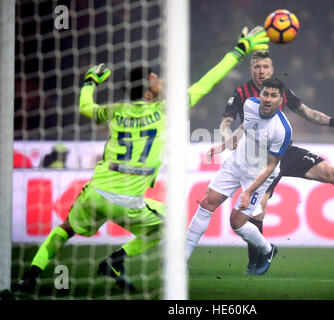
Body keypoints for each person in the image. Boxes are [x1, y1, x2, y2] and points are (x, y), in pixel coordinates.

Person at [15, 26, 270, 294]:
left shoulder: (114, 110)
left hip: (96, 191)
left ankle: (30, 276)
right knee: (170, 224)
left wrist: (90, 83)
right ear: (149, 94)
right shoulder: (165, 110)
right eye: (155, 79)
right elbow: (207, 82)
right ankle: (116, 259)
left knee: (65, 228)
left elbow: (85, 108)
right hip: (127, 201)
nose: (160, 81)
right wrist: (239, 50)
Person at [216, 50, 334, 274]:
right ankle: (255, 262)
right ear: (251, 71)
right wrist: (228, 139)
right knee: (258, 208)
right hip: (259, 160)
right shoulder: (241, 94)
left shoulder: (281, 91)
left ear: (272, 69)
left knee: (333, 173)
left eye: (265, 66)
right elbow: (225, 123)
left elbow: (307, 113)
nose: (261, 71)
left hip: (284, 152)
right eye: (257, 67)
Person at [187, 78, 292, 276]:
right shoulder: (250, 104)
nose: (268, 99)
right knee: (206, 204)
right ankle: (180, 261)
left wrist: (249, 191)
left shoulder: (282, 129)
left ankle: (268, 250)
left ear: (280, 99)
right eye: (265, 94)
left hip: (259, 175)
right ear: (260, 94)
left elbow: (271, 166)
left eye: (273, 95)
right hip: (236, 164)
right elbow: (245, 127)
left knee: (237, 223)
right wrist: (222, 146)